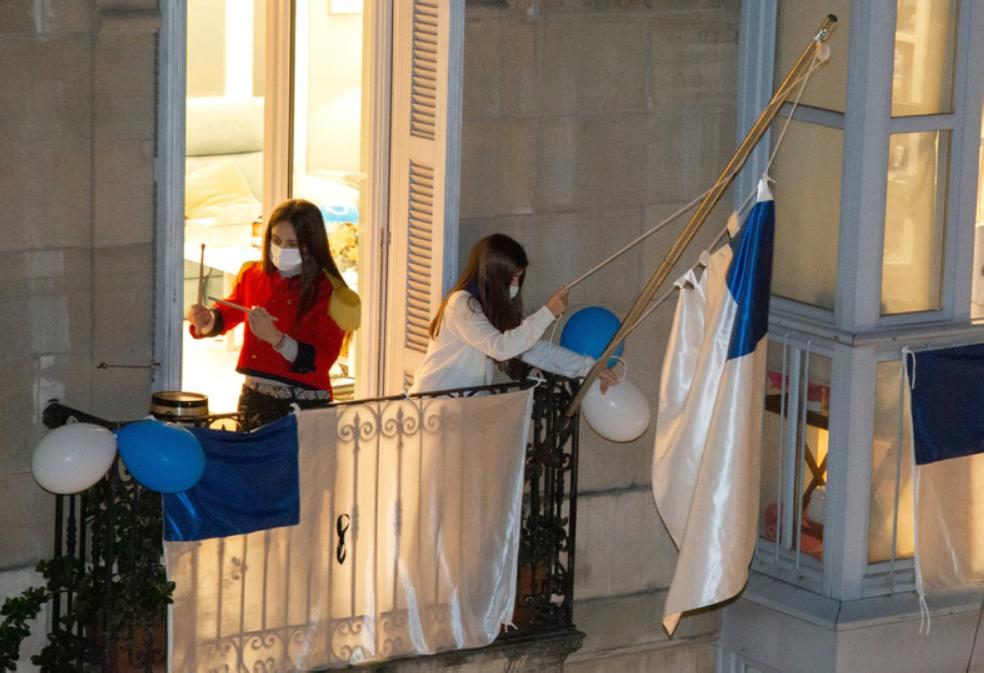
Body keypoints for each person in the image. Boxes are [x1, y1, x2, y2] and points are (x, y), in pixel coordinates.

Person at [187, 199, 360, 430]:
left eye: (292, 244)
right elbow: (229, 311)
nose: (281, 250)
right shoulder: (254, 274)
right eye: (276, 241)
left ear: (311, 244)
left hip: (302, 405)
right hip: (254, 397)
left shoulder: (332, 292)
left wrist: (277, 339)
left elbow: (322, 359)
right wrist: (207, 320)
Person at [409, 233, 619, 394]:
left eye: (520, 277)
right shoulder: (461, 304)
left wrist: (589, 368)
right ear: (494, 275)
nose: (516, 284)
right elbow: (501, 347)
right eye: (512, 277)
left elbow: (536, 350)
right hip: (432, 411)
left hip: (458, 411)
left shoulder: (491, 309)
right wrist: (547, 313)